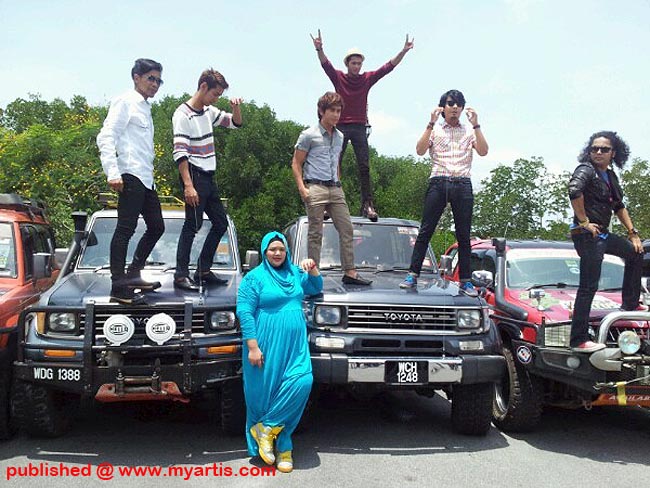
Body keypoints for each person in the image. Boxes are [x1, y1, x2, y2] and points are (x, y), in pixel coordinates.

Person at [236, 231, 322, 473]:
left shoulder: (295, 272)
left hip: (295, 345)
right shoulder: (254, 278)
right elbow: (244, 312)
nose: (277, 253)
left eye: (281, 249)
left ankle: (267, 429)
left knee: (302, 381)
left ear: (287, 251)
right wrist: (253, 347)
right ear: (264, 252)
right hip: (264, 344)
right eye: (272, 249)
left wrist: (312, 268)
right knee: (265, 395)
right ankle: (282, 447)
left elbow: (316, 287)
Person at [311, 29, 414, 221]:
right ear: (347, 64)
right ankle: (327, 204)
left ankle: (368, 205)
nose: (357, 66)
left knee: (364, 167)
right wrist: (319, 49)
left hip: (359, 127)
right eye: (354, 63)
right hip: (340, 127)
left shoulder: (366, 79)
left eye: (359, 63)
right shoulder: (339, 78)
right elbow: (326, 65)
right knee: (333, 164)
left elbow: (387, 67)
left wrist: (404, 51)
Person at [400, 89, 488, 295]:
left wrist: (476, 125)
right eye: (450, 103)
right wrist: (430, 123)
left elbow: (484, 151)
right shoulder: (435, 129)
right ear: (443, 108)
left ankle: (466, 280)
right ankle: (412, 274)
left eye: (458, 104)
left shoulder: (469, 130)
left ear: (463, 108)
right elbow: (420, 150)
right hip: (439, 181)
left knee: (464, 235)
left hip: (462, 182)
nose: (454, 107)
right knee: (426, 230)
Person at [568, 131, 644, 353]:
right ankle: (578, 340)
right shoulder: (586, 170)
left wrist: (632, 233)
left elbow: (618, 206)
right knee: (588, 286)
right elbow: (574, 190)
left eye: (604, 149)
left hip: (602, 234)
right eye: (594, 149)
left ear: (614, 153)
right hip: (587, 235)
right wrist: (584, 222)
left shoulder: (610, 176)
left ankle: (630, 303)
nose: (598, 152)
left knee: (635, 252)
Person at [97, 58, 165, 304]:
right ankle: (118, 286)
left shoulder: (145, 107)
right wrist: (112, 172)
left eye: (158, 81)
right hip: (129, 174)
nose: (155, 84)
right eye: (150, 79)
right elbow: (106, 136)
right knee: (125, 229)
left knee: (157, 226)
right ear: (136, 77)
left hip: (146, 178)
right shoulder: (125, 101)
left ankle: (134, 273)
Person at [171, 69, 242, 291]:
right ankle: (181, 275)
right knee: (192, 224)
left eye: (219, 95)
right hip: (194, 175)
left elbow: (235, 124)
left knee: (221, 223)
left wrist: (235, 107)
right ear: (203, 87)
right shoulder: (183, 114)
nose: (216, 98)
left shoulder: (209, 111)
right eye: (215, 94)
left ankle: (203, 269)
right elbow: (180, 152)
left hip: (209, 176)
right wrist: (188, 186)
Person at [291, 91, 372, 286]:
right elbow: (296, 162)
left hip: (335, 187)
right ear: (322, 111)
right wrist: (302, 188)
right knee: (315, 232)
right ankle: (313, 275)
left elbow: (336, 162)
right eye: (332, 111)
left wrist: (338, 181)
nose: (336, 115)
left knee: (347, 228)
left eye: (338, 111)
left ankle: (350, 272)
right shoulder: (309, 134)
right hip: (315, 186)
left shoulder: (340, 136)